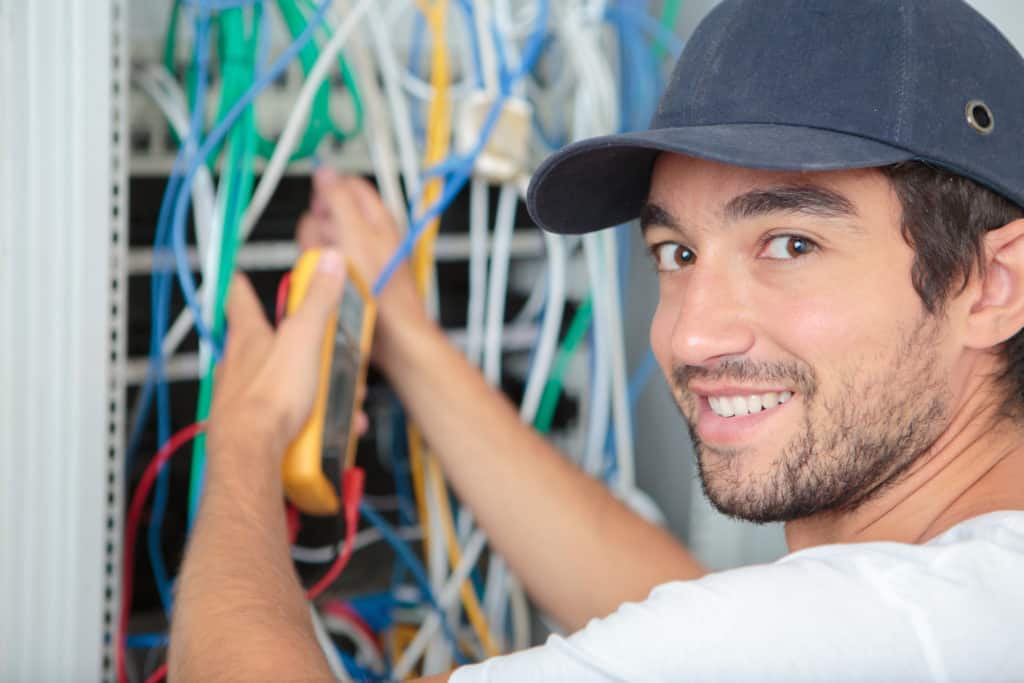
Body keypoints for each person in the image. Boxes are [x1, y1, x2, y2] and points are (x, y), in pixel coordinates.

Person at [169, 0, 1024, 679]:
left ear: (995, 283)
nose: (690, 333)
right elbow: (685, 608)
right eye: (676, 253)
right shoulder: (961, 597)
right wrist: (404, 336)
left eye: (791, 245)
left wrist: (245, 432)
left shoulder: (899, 626)